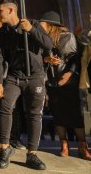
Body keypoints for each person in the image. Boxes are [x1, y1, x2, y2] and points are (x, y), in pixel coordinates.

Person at [0, 0, 52, 170]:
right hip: (14, 76)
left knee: (34, 114)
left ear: (10, 10)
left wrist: (31, 30)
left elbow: (48, 44)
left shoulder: (32, 24)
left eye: (0, 11)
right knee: (4, 105)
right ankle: (4, 148)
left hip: (35, 77)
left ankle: (32, 154)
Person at [39, 11, 91, 160]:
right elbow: (40, 57)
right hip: (52, 81)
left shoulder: (68, 37)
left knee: (74, 113)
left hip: (68, 81)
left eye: (44, 24)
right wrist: (47, 59)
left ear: (51, 25)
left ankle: (82, 146)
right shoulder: (44, 39)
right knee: (58, 114)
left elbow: (75, 58)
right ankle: (64, 145)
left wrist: (68, 74)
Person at [0, 14, 26, 150]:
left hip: (10, 76)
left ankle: (15, 138)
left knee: (13, 108)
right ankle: (5, 137)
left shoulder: (5, 35)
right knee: (3, 108)